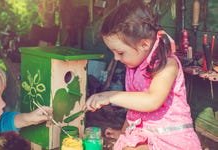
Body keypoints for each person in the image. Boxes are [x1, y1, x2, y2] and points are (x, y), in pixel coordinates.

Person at [85, 0, 201, 149]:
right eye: (113, 52)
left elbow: (151, 100)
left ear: (144, 44)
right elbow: (135, 107)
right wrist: (123, 132)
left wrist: (110, 96)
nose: (116, 58)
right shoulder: (134, 65)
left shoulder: (167, 64)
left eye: (120, 52)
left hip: (170, 139)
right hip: (146, 134)